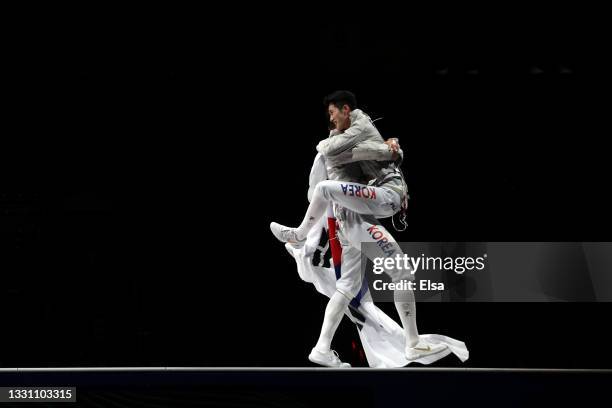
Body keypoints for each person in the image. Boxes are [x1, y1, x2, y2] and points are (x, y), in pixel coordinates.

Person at [270, 90, 448, 367]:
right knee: (401, 270)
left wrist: (391, 149)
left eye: (332, 114)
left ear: (345, 110)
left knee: (347, 285)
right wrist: (387, 149)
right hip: (356, 218)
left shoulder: (358, 128)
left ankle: (321, 348)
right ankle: (413, 345)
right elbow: (322, 171)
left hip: (351, 221)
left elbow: (367, 152)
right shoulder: (334, 147)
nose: (331, 121)